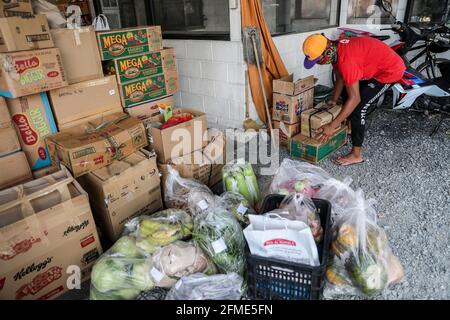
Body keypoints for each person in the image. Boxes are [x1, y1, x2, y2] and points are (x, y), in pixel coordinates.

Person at [302, 34, 406, 166]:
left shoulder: (346, 60)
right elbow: (340, 77)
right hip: (373, 66)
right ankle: (350, 128)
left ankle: (356, 154)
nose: (317, 63)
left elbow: (355, 98)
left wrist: (331, 127)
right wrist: (333, 100)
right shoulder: (336, 50)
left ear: (327, 52)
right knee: (346, 95)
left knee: (358, 107)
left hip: (390, 71)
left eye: (317, 60)